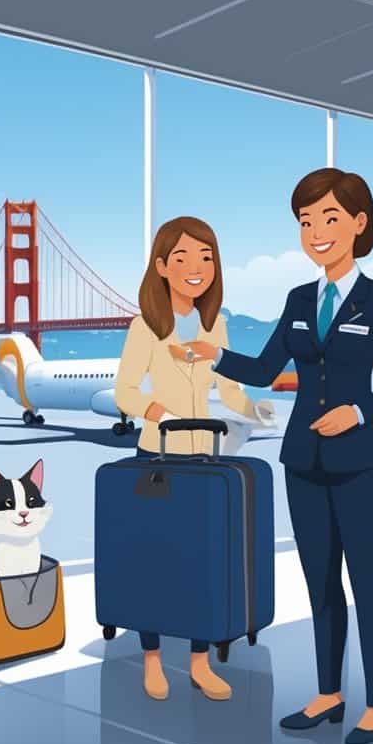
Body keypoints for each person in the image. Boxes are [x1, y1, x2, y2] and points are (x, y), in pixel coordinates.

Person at [184, 168, 373, 744]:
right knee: (320, 584)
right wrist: (213, 355)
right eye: (306, 221)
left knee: (367, 583)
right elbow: (266, 371)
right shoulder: (296, 299)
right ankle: (328, 693)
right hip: (303, 463)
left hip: (361, 461)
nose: (316, 231)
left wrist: (359, 411)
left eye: (330, 218)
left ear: (360, 224)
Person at [114, 215, 272, 702]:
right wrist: (154, 411)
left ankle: (200, 662)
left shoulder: (214, 324)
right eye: (181, 257)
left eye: (205, 257)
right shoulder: (146, 326)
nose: (195, 267)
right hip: (157, 454)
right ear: (162, 266)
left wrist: (255, 410)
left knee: (202, 559)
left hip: (203, 456)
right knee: (154, 558)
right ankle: (153, 659)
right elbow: (123, 390)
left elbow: (227, 387)